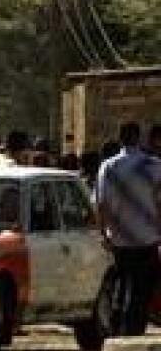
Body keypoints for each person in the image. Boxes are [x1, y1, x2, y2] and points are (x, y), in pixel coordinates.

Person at [94, 122, 161, 337]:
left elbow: (101, 204)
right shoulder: (154, 165)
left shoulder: (108, 167)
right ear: (138, 137)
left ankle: (117, 328)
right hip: (148, 238)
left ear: (120, 139)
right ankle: (135, 330)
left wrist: (104, 233)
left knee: (121, 285)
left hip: (119, 239)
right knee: (142, 289)